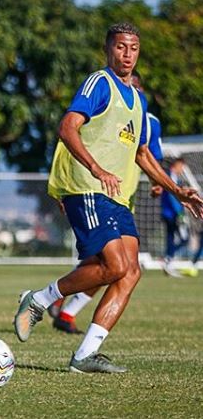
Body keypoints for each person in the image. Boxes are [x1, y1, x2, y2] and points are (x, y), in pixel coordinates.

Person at [13, 22, 203, 373]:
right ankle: (39, 300)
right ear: (108, 49)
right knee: (114, 266)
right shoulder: (99, 83)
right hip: (87, 186)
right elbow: (67, 127)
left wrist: (178, 190)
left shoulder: (139, 99)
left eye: (133, 47)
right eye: (120, 47)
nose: (127, 54)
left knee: (129, 273)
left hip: (116, 196)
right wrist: (97, 168)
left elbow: (143, 154)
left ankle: (84, 355)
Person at [49, 70, 164, 334]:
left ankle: (63, 309)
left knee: (122, 268)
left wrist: (164, 183)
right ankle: (51, 299)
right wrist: (61, 189)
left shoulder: (148, 120)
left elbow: (148, 155)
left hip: (124, 197)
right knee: (111, 263)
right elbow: (67, 141)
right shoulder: (98, 98)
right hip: (93, 191)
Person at [161, 158, 189, 277]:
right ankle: (168, 259)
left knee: (173, 238)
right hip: (171, 213)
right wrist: (180, 213)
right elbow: (173, 197)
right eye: (181, 166)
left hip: (172, 213)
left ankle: (168, 260)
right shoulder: (169, 176)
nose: (182, 169)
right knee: (183, 238)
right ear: (176, 165)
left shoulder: (176, 178)